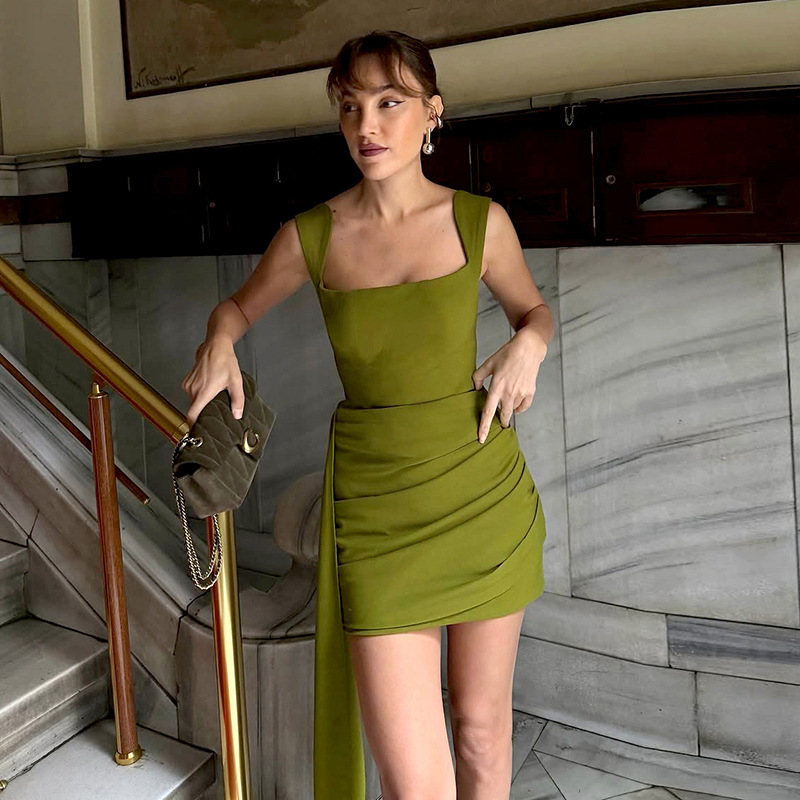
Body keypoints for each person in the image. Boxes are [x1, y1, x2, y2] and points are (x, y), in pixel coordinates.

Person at [182, 29, 552, 800]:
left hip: (483, 498)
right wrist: (219, 341)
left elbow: (534, 311)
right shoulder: (312, 236)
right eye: (350, 106)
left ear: (433, 113)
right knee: (415, 784)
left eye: (389, 103)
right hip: (377, 514)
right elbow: (235, 308)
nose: (366, 125)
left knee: (482, 734)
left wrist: (531, 344)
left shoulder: (479, 222)